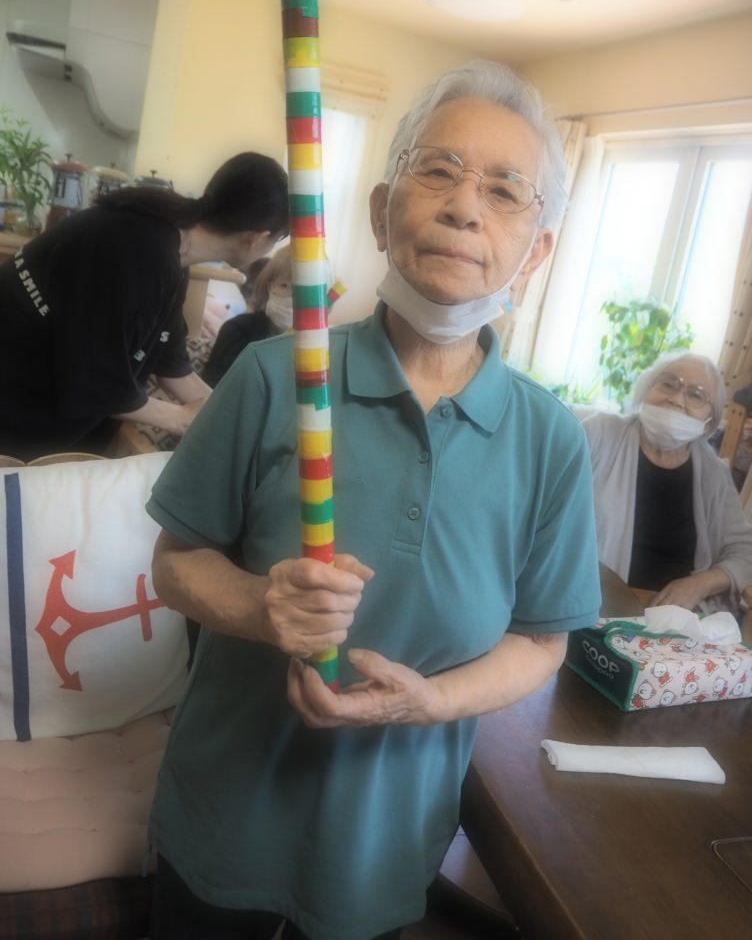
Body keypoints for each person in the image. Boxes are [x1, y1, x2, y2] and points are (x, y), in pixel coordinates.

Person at [145, 60, 602, 940]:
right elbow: (175, 562)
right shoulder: (273, 375)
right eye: (439, 170)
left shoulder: (550, 439)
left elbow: (542, 639)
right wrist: (260, 604)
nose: (465, 207)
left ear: (536, 251)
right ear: (380, 210)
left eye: (504, 190)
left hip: (383, 848)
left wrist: (428, 702)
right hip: (224, 816)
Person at [0, 152, 289, 461]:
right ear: (256, 238)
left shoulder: (172, 255)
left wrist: (237, 420)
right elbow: (98, 380)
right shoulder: (142, 246)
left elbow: (172, 366)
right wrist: (180, 418)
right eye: (275, 240)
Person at [582, 352, 752, 613]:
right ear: (646, 390)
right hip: (597, 607)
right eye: (668, 384)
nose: (676, 399)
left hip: (678, 620)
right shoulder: (599, 434)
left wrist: (701, 584)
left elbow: (749, 556)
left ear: (709, 422)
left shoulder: (714, 474)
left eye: (696, 395)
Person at [201, 244, 293, 387]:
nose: (293, 297)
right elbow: (213, 385)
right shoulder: (238, 330)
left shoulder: (323, 341)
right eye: (284, 285)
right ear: (269, 286)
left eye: (305, 289)